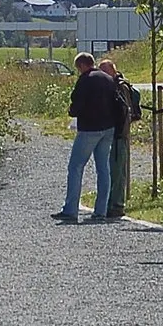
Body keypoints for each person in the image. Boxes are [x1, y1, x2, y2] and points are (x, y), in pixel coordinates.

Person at [55, 52, 124, 223]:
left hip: (90, 129)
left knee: (76, 166)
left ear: (81, 66)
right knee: (103, 169)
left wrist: (72, 112)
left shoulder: (85, 79)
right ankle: (100, 211)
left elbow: (77, 104)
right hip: (108, 128)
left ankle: (71, 210)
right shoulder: (108, 79)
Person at [99, 57, 140, 218]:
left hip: (118, 134)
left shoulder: (120, 88)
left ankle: (116, 205)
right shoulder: (115, 86)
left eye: (104, 71)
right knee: (110, 170)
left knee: (117, 171)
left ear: (112, 71)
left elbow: (123, 112)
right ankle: (110, 203)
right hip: (113, 133)